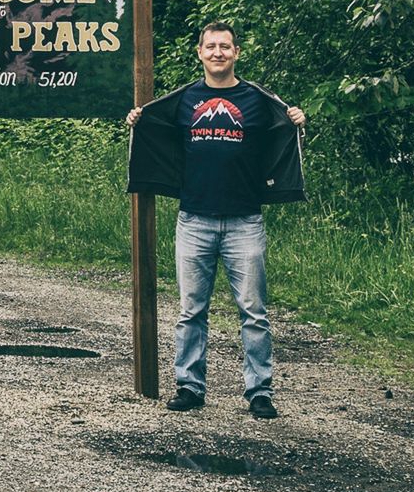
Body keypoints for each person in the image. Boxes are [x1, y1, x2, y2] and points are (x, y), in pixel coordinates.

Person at [127, 22, 307, 419]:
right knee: (191, 311)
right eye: (211, 47)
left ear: (237, 52)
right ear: (200, 53)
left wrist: (295, 121)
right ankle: (190, 387)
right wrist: (138, 121)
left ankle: (259, 392)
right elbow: (156, 128)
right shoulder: (185, 99)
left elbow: (283, 134)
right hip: (194, 220)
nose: (218, 53)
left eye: (225, 46)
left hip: (245, 221)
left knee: (253, 313)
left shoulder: (256, 99)